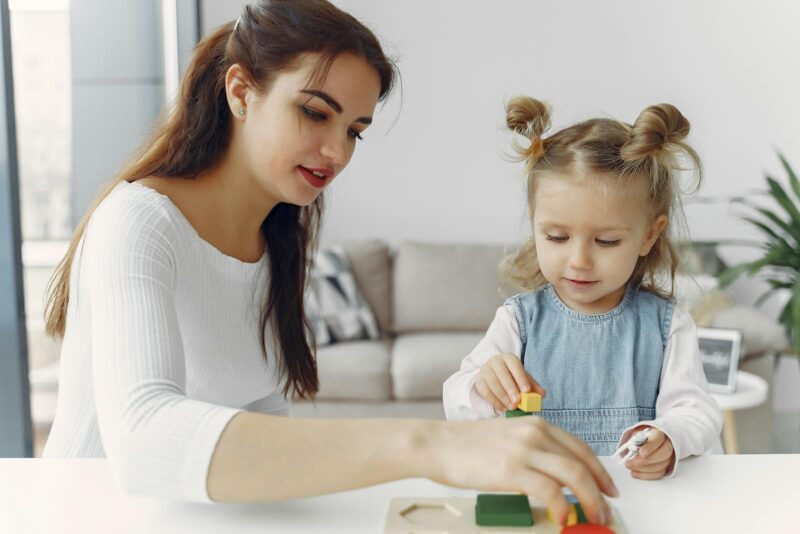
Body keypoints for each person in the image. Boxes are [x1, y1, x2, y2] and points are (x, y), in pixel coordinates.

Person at [41, 0, 618, 527]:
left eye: (354, 132)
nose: (337, 152)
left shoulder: (274, 241)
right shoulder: (139, 222)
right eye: (316, 113)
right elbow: (143, 440)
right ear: (240, 91)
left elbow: (261, 412)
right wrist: (432, 447)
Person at [443, 96, 723, 480]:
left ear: (648, 236)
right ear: (535, 223)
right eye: (557, 237)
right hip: (544, 495)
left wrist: (670, 436)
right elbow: (456, 400)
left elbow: (698, 412)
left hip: (634, 500)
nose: (579, 261)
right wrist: (482, 384)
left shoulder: (667, 325)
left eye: (606, 241)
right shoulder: (519, 320)